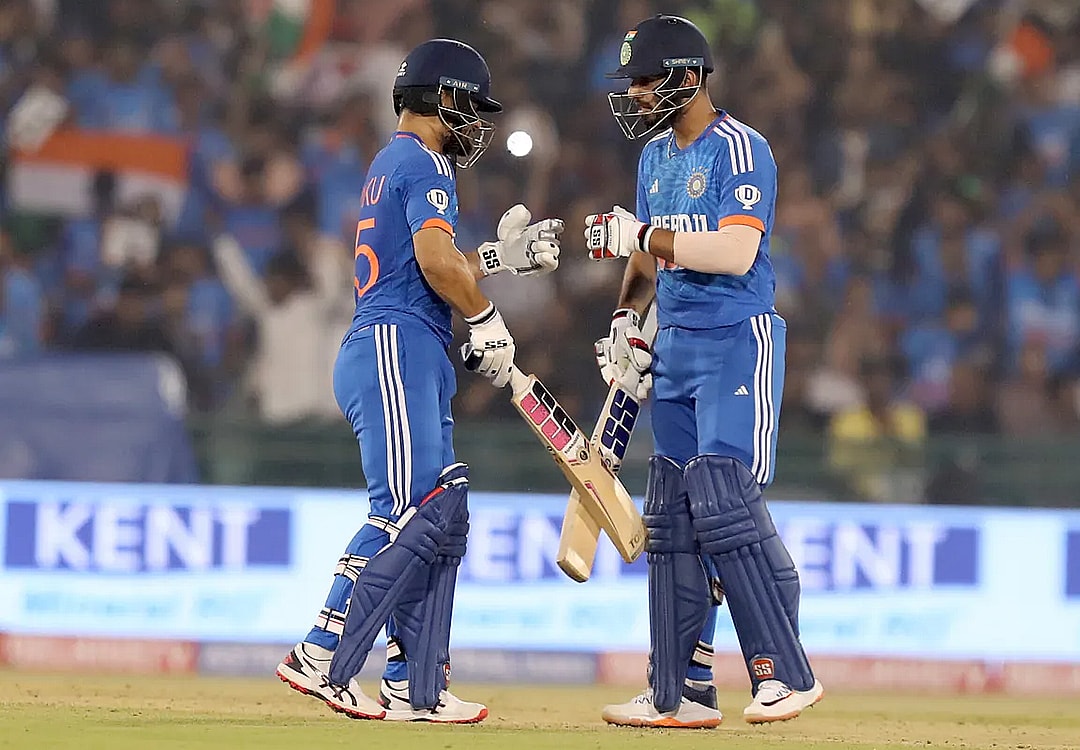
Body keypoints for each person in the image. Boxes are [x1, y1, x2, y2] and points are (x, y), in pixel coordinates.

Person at [274, 38, 564, 722]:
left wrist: (496, 257)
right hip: (397, 343)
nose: (476, 122)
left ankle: (414, 684)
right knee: (406, 512)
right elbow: (435, 266)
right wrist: (487, 316)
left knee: (435, 510)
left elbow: (429, 263)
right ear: (441, 97)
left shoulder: (394, 161)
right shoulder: (426, 160)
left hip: (404, 340)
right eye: (470, 104)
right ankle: (319, 653)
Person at [583, 14, 823, 728]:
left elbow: (735, 253)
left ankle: (785, 672)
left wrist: (646, 235)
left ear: (688, 78)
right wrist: (628, 321)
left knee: (722, 498)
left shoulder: (742, 149)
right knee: (672, 516)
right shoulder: (655, 157)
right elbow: (642, 260)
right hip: (678, 344)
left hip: (735, 340)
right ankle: (678, 691)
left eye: (646, 80)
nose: (635, 94)